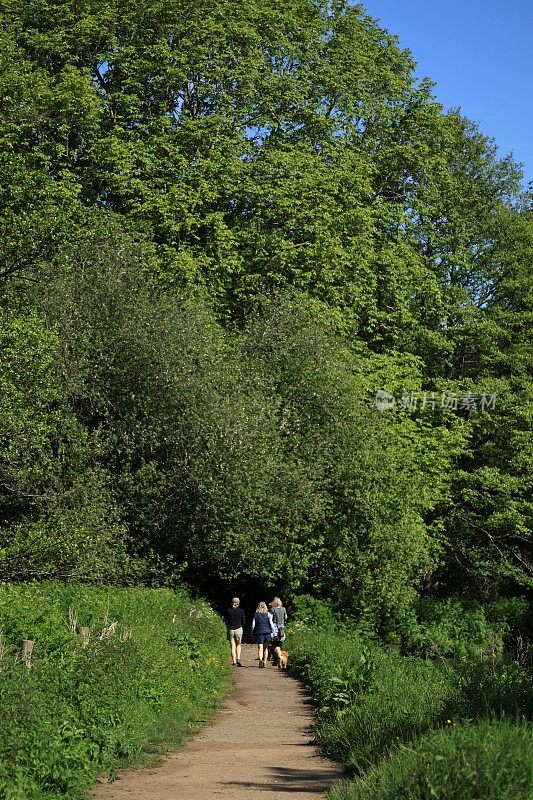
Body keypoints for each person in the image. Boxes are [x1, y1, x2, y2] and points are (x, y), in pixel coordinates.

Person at [251, 601, 276, 668]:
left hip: (259, 632)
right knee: (266, 648)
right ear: (265, 606)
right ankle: (264, 662)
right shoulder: (268, 614)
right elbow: (271, 624)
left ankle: (260, 660)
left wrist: (252, 632)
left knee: (260, 648)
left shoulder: (256, 614)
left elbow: (253, 625)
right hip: (267, 632)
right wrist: (274, 633)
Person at [225, 597, 245, 666]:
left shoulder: (228, 611)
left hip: (230, 629)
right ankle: (238, 658)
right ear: (238, 604)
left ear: (232, 603)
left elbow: (226, 621)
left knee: (233, 646)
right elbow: (243, 621)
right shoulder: (241, 611)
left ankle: (234, 661)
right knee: (238, 644)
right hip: (238, 629)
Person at [269, 597, 287, 665]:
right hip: (281, 628)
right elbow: (286, 617)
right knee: (279, 643)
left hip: (275, 627)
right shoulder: (284, 609)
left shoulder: (272, 609)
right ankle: (279, 658)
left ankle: (275, 660)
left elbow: (270, 619)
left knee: (274, 644)